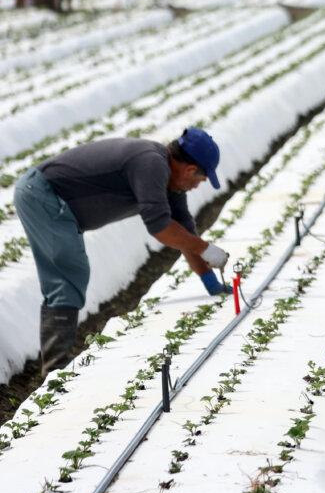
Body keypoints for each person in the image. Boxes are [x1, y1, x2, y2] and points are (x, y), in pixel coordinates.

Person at [14, 128, 232, 375]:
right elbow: (160, 228)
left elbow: (185, 235)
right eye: (201, 180)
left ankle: (55, 363)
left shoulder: (171, 182)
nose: (197, 186)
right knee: (69, 270)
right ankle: (55, 368)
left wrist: (212, 284)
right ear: (191, 170)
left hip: (50, 198)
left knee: (70, 271)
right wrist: (205, 249)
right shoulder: (151, 164)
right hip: (42, 194)